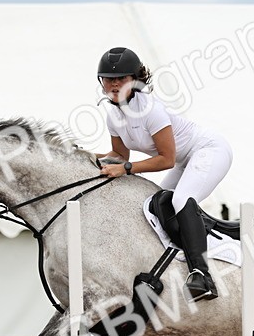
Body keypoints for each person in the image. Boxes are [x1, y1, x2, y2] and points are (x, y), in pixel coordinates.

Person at [95, 46, 233, 302]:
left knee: (180, 200)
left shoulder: (150, 110)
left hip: (208, 150)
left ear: (134, 80)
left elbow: (166, 160)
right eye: (109, 79)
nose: (114, 84)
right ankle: (209, 230)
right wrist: (87, 158)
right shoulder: (113, 116)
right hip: (184, 161)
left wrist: (126, 169)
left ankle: (202, 275)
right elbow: (119, 155)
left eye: (121, 78)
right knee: (155, 204)